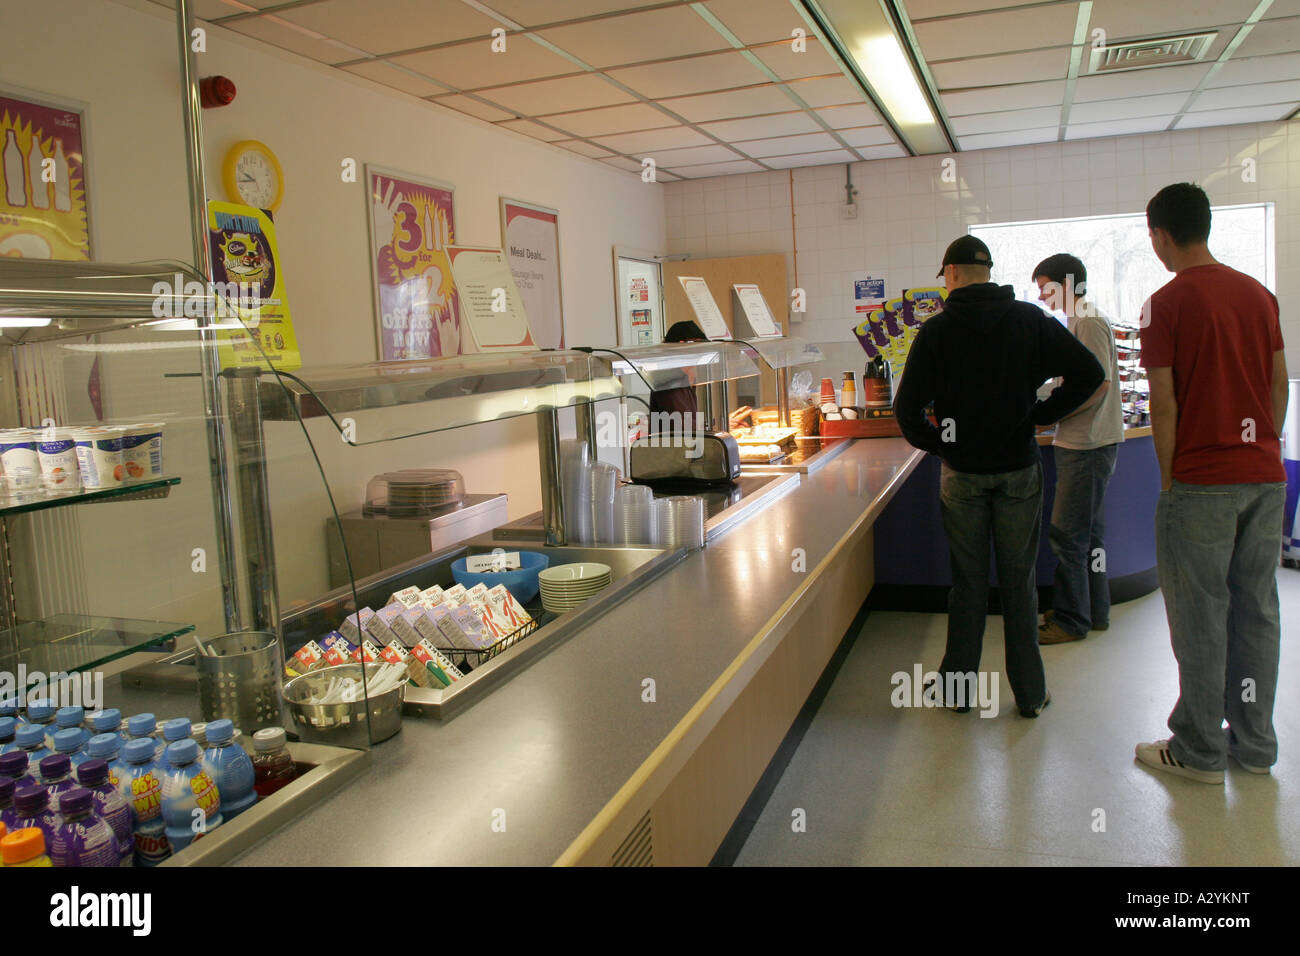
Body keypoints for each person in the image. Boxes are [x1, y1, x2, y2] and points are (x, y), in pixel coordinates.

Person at [894, 236, 1104, 717]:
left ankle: (958, 692)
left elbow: (907, 411)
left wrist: (943, 443)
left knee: (968, 583)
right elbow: (1089, 373)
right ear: (988, 270)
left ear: (949, 274)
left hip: (962, 476)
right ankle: (1030, 694)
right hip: (1018, 470)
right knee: (1019, 583)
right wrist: (1040, 415)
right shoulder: (1030, 320)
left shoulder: (938, 332)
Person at [1135, 183, 1290, 784]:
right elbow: (1277, 385)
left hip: (1199, 484)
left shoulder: (1164, 304)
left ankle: (1197, 748)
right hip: (1264, 478)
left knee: (1200, 615)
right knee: (1256, 611)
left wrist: (1172, 482)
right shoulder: (1259, 295)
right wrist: (1261, 446)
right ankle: (1253, 745)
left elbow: (1164, 403)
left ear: (1160, 235)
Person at [1032, 254, 1124, 645]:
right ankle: (1094, 610)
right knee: (1089, 535)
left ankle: (1070, 620)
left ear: (1065, 285)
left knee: (1067, 535)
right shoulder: (1077, 320)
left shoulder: (1087, 320)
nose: (1040, 296)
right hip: (1086, 441)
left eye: (1044, 287)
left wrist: (1053, 414)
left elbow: (1096, 384)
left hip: (1088, 443)